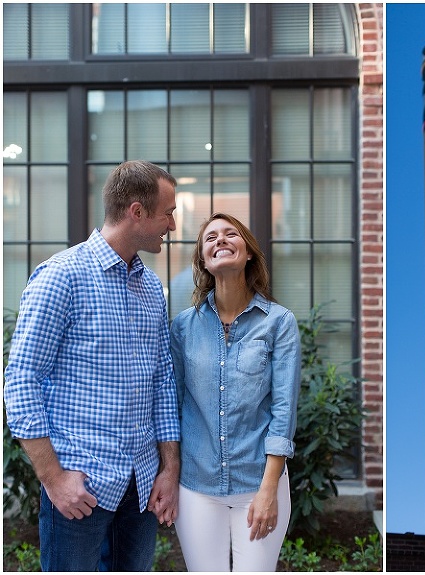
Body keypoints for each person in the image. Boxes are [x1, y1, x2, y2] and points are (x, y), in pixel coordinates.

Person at [3, 160, 181, 571]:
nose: (171, 225)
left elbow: (162, 380)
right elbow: (21, 380)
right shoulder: (60, 277)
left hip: (140, 489)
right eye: (167, 213)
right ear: (136, 212)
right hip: (81, 490)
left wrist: (168, 470)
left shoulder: (151, 287)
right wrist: (53, 479)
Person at [170, 212, 300, 572]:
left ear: (248, 254)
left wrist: (269, 488)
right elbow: (172, 405)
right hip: (196, 486)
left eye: (231, 234)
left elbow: (284, 410)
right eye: (210, 238)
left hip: (259, 483)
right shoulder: (182, 327)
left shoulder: (279, 322)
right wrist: (169, 472)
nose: (220, 240)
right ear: (203, 261)